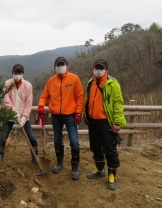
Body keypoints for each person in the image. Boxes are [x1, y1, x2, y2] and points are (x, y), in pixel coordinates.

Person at [37, 56, 84, 179]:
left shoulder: (74, 79)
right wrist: (41, 105)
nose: (60, 67)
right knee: (57, 140)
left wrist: (78, 113)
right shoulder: (51, 81)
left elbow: (80, 97)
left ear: (67, 66)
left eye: (62, 65)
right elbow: (44, 95)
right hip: (56, 116)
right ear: (54, 67)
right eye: (58, 65)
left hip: (70, 115)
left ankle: (74, 166)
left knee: (74, 141)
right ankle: (59, 162)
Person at [84, 59, 126, 190]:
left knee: (110, 149)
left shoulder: (112, 84)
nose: (99, 70)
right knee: (95, 146)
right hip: (93, 121)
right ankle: (100, 169)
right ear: (93, 69)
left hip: (106, 122)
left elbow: (119, 103)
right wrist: (86, 115)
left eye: (101, 68)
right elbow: (87, 100)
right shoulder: (90, 82)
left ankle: (112, 175)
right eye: (96, 68)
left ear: (107, 70)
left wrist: (117, 122)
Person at [0, 64, 39, 164]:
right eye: (15, 73)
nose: (17, 74)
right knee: (3, 135)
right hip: (10, 115)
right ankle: (0, 154)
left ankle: (35, 155)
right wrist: (14, 112)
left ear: (23, 74)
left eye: (19, 73)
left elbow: (29, 103)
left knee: (31, 137)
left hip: (24, 116)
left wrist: (24, 116)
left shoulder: (28, 86)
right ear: (12, 73)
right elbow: (6, 101)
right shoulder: (7, 84)